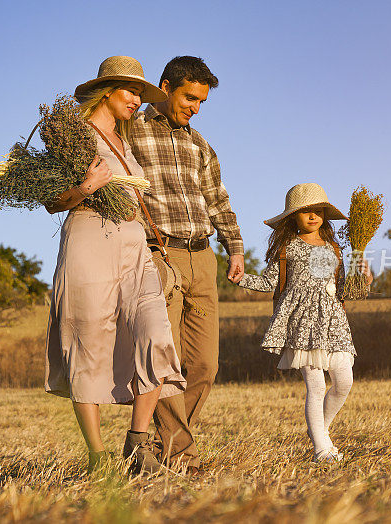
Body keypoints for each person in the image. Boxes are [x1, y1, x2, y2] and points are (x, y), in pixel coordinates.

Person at [44, 56, 186, 474]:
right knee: (87, 340)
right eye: (131, 91)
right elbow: (51, 201)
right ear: (106, 90)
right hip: (89, 239)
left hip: (134, 245)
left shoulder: (126, 143)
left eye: (141, 94)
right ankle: (96, 456)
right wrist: (87, 186)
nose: (137, 100)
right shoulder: (74, 137)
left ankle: (137, 444)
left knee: (156, 335)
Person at [129, 56, 244, 472]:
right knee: (166, 362)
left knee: (204, 364)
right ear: (165, 87)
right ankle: (181, 455)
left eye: (201, 102)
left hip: (203, 256)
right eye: (189, 98)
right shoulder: (131, 133)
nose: (195, 107)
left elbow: (218, 199)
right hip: (160, 254)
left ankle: (169, 444)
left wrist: (235, 247)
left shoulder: (200, 145)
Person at [236, 183, 373, 462]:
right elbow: (269, 282)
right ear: (293, 217)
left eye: (318, 211)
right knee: (316, 386)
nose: (313, 216)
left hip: (334, 321)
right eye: (305, 211)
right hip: (303, 322)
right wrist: (241, 278)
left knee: (344, 382)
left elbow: (343, 288)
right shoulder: (288, 248)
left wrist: (365, 280)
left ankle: (319, 430)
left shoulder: (333, 249)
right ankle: (321, 448)